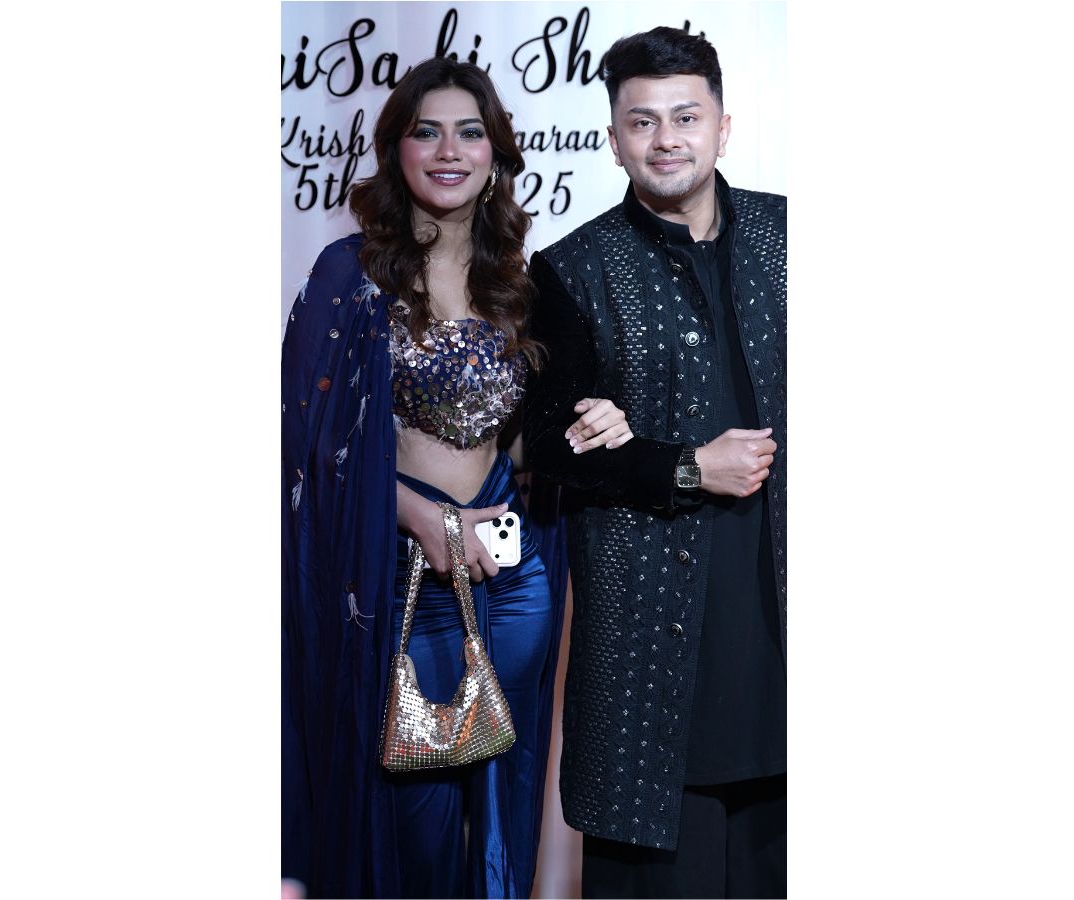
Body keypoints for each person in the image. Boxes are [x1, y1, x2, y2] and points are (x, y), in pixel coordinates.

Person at [281, 57, 632, 899]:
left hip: (513, 579)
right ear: (396, 151)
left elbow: (528, 440)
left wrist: (592, 428)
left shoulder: (522, 283)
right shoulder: (350, 277)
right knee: (417, 817)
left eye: (469, 133)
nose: (449, 151)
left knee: (501, 808)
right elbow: (304, 450)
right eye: (426, 132)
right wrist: (422, 518)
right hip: (399, 578)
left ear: (495, 152)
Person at [523, 26, 788, 899]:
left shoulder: (793, 237)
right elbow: (550, 443)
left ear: (723, 127)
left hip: (781, 635)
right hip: (650, 654)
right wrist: (685, 467)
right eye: (642, 121)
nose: (666, 138)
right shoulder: (571, 269)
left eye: (685, 117)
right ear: (613, 139)